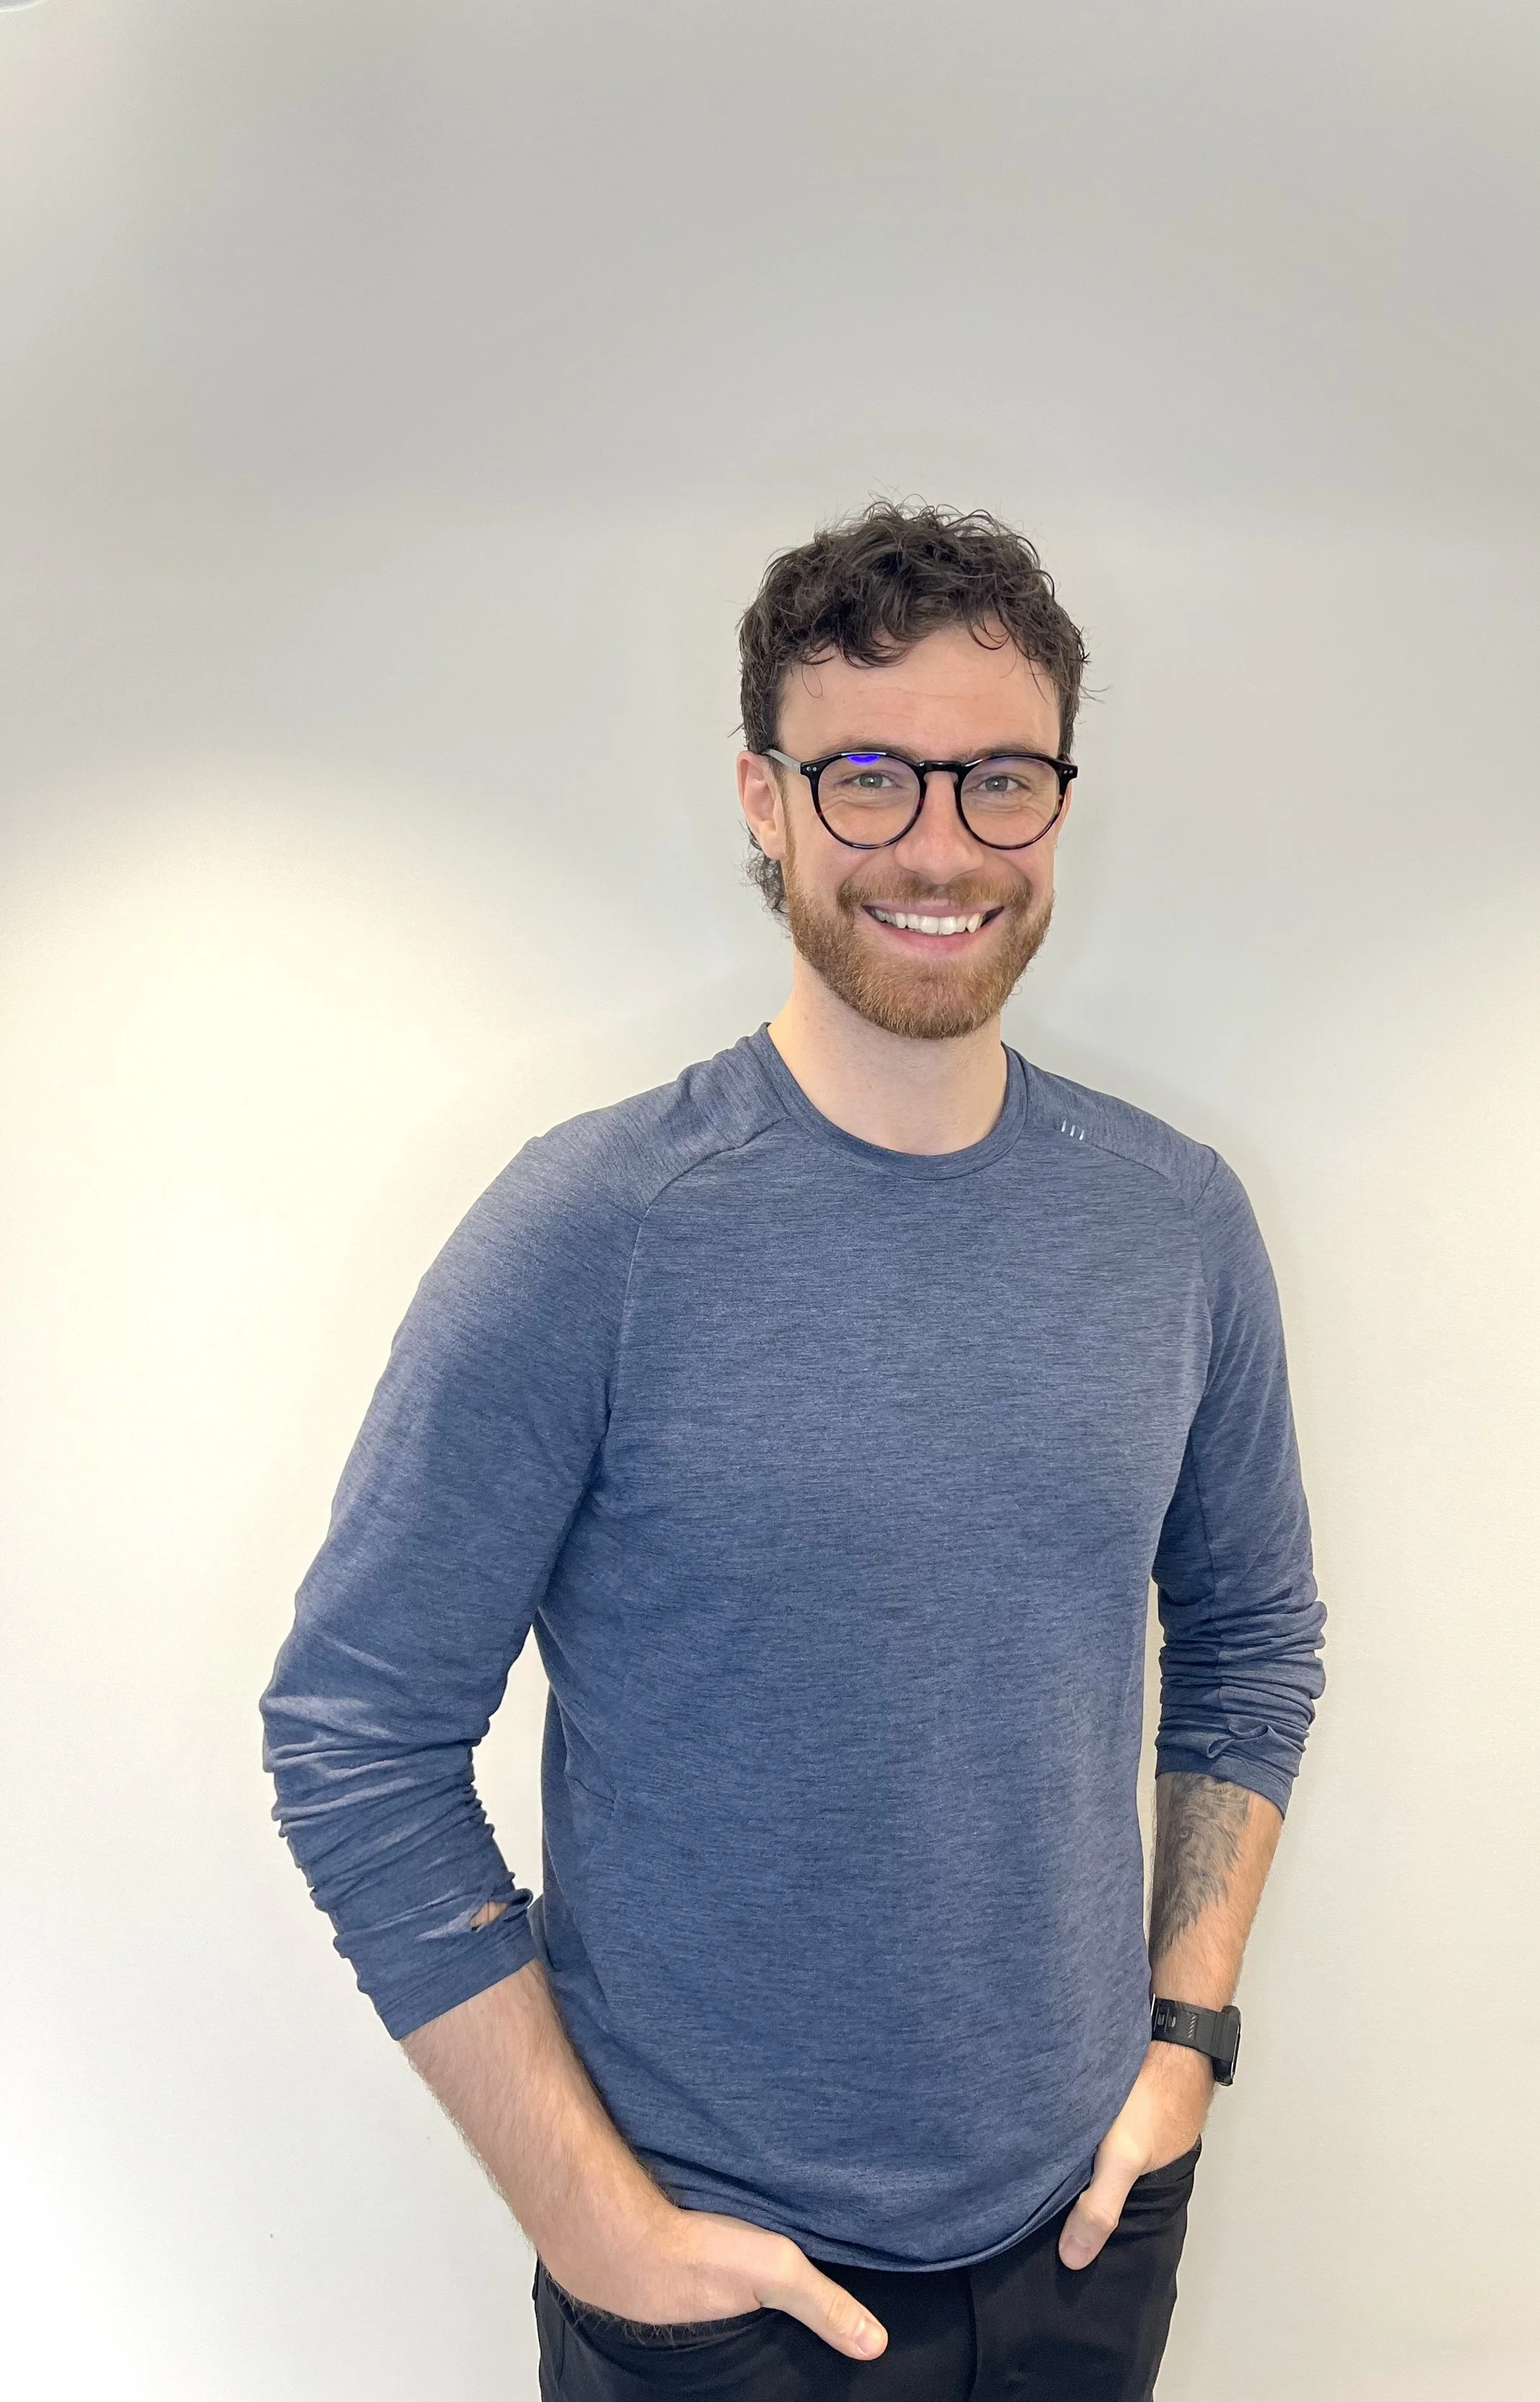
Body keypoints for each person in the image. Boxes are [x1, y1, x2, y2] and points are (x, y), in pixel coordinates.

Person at [261, 501, 1326, 2401]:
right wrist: (593, 2223)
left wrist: (1184, 2040)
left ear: (1057, 801)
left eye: (996, 777)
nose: (936, 843)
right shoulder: (592, 1231)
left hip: (1081, 2232)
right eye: (864, 775)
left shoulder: (1174, 1222)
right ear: (763, 799)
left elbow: (1248, 1637)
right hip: (711, 2285)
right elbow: (352, 1732)